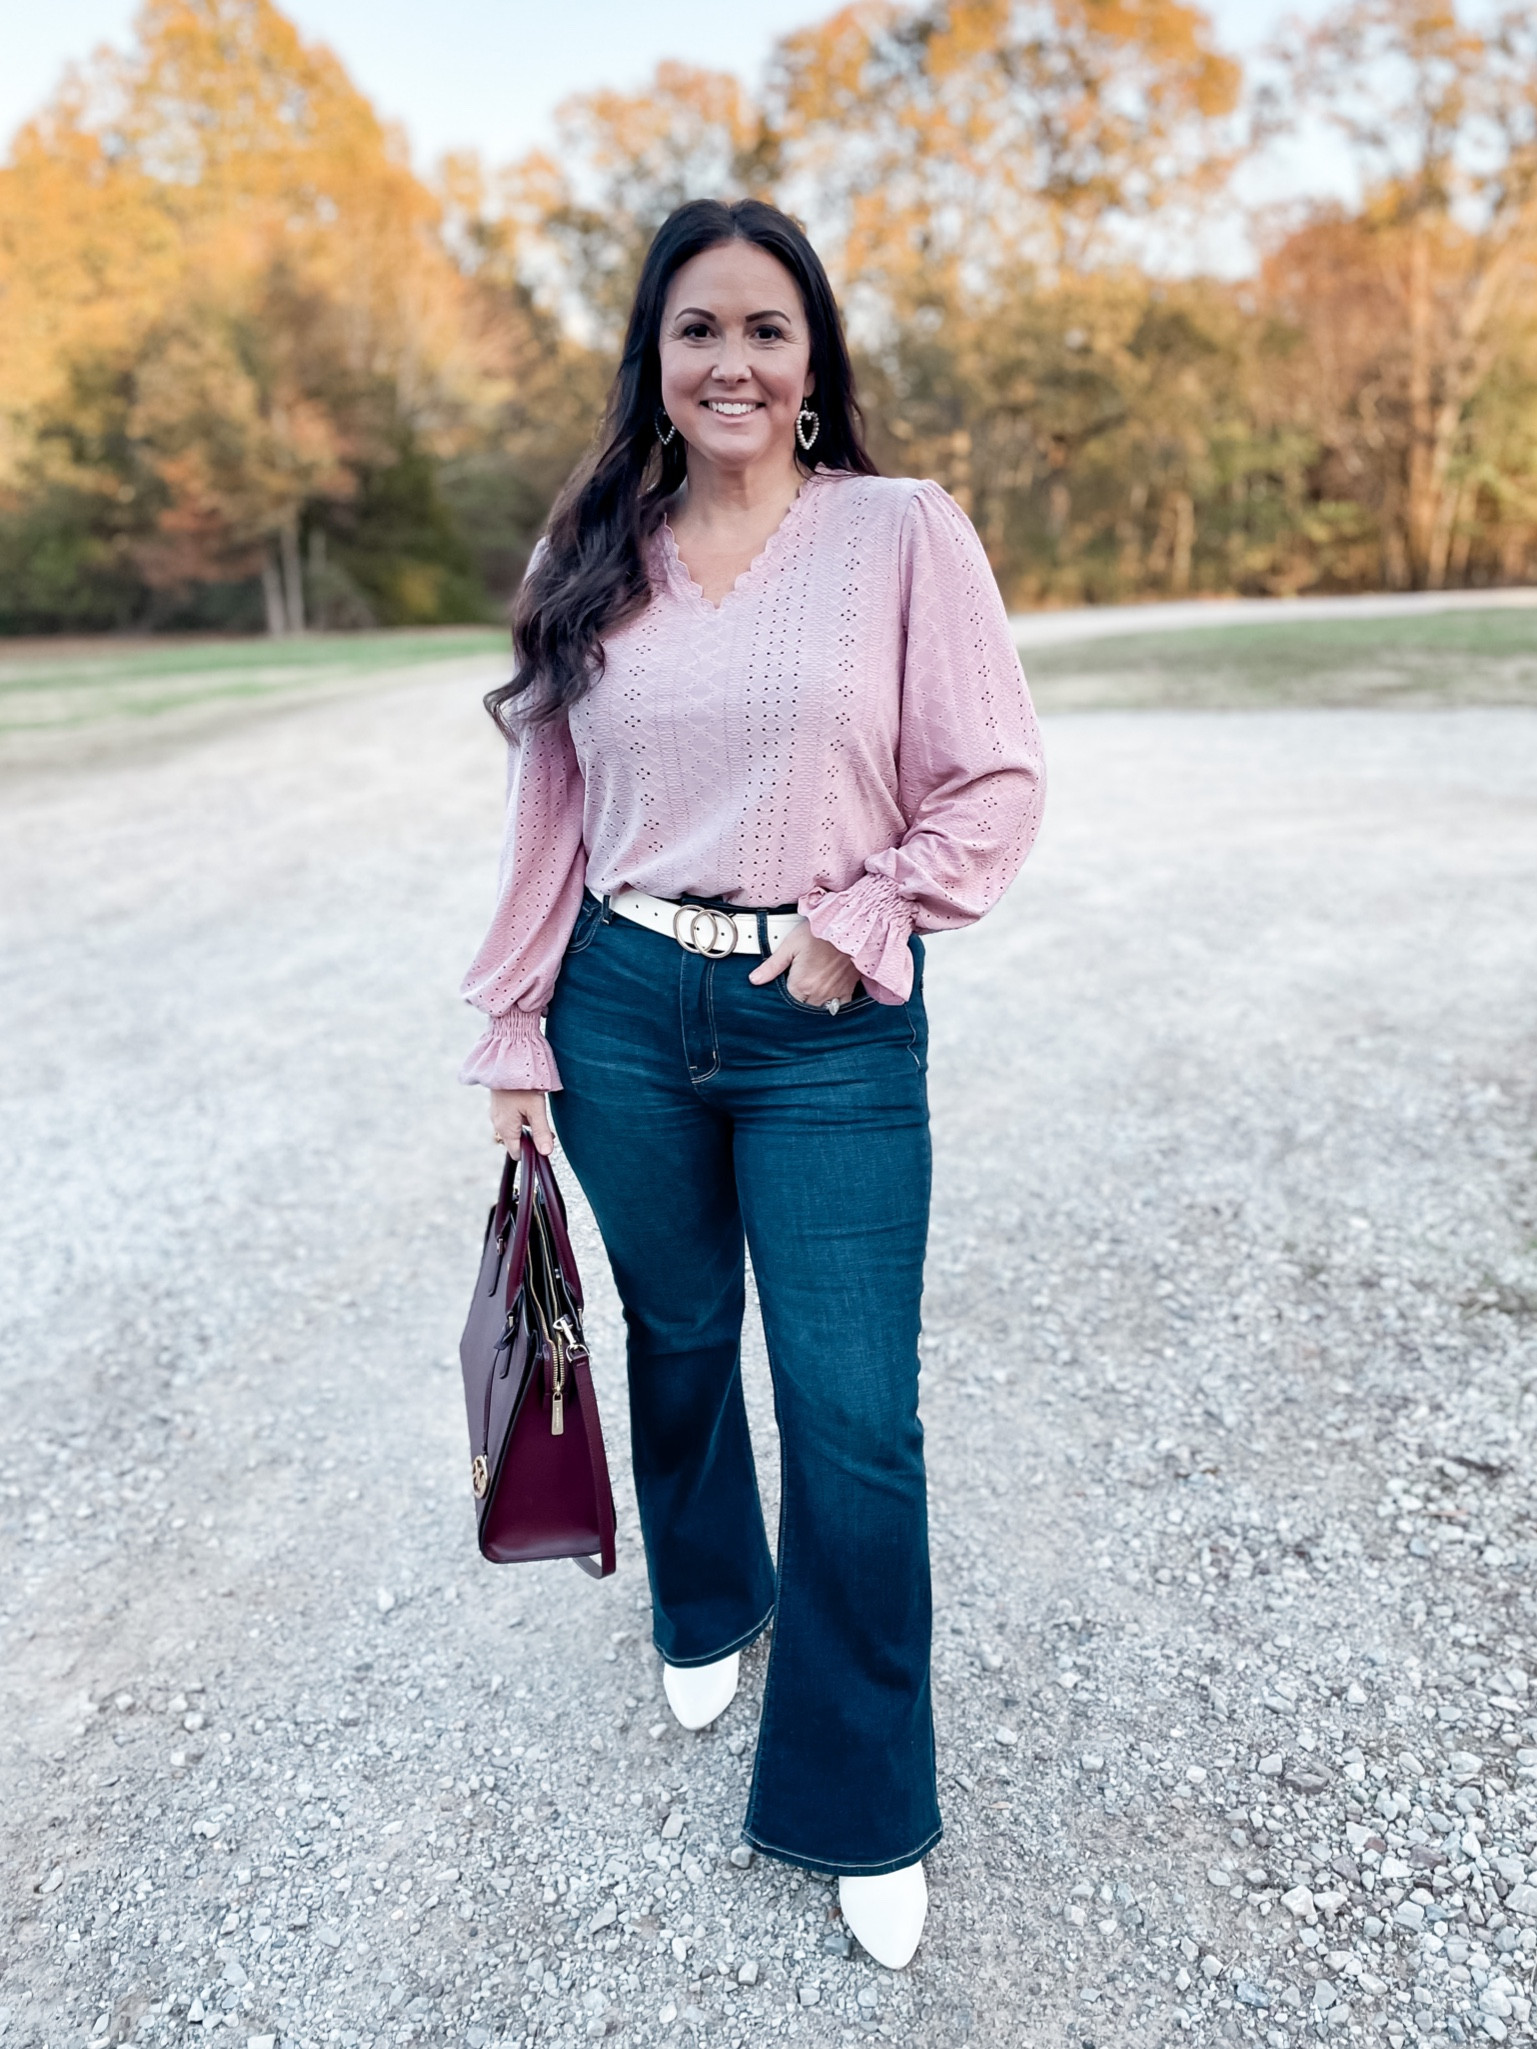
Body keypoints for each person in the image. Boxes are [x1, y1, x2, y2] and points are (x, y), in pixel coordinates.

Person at [459, 197, 1044, 1968]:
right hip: (627, 998)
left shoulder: (896, 534)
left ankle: (863, 1788)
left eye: (765, 329)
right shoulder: (595, 542)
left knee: (855, 1410)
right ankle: (710, 1597)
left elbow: (994, 784)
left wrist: (860, 918)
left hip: (831, 1012)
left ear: (811, 364)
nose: (730, 358)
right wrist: (511, 1025)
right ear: (653, 356)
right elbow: (544, 808)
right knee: (682, 1332)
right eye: (696, 327)